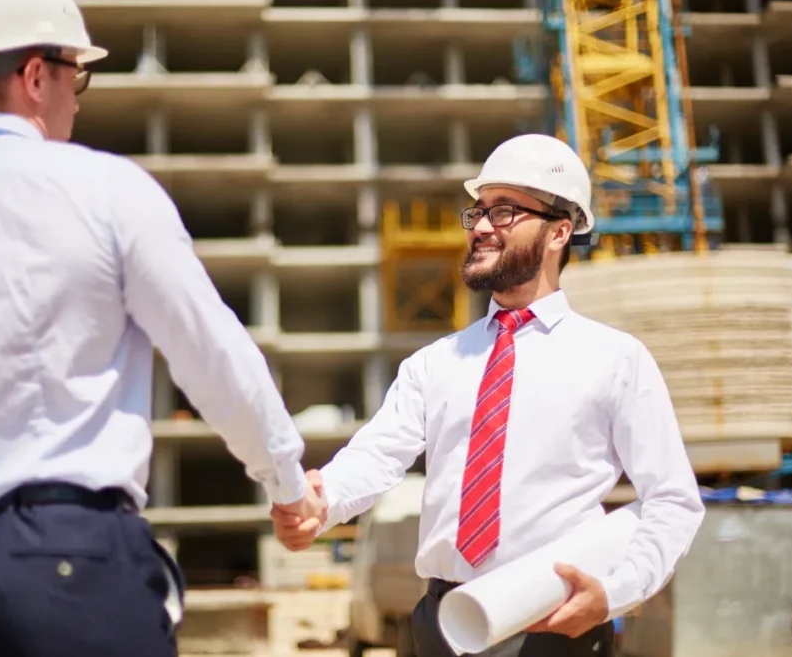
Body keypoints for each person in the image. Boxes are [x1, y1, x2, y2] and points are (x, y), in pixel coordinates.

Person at [0, 0, 321, 655]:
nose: (77, 103)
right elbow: (211, 353)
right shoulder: (105, 191)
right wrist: (287, 481)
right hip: (68, 556)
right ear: (36, 75)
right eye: (76, 79)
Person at [271, 134, 705, 657]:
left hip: (553, 627)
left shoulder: (616, 360)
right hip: (441, 626)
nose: (479, 227)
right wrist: (322, 500)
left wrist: (613, 595)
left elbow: (673, 500)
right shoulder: (433, 363)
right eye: (477, 212)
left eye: (503, 212)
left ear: (559, 231)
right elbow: (376, 456)